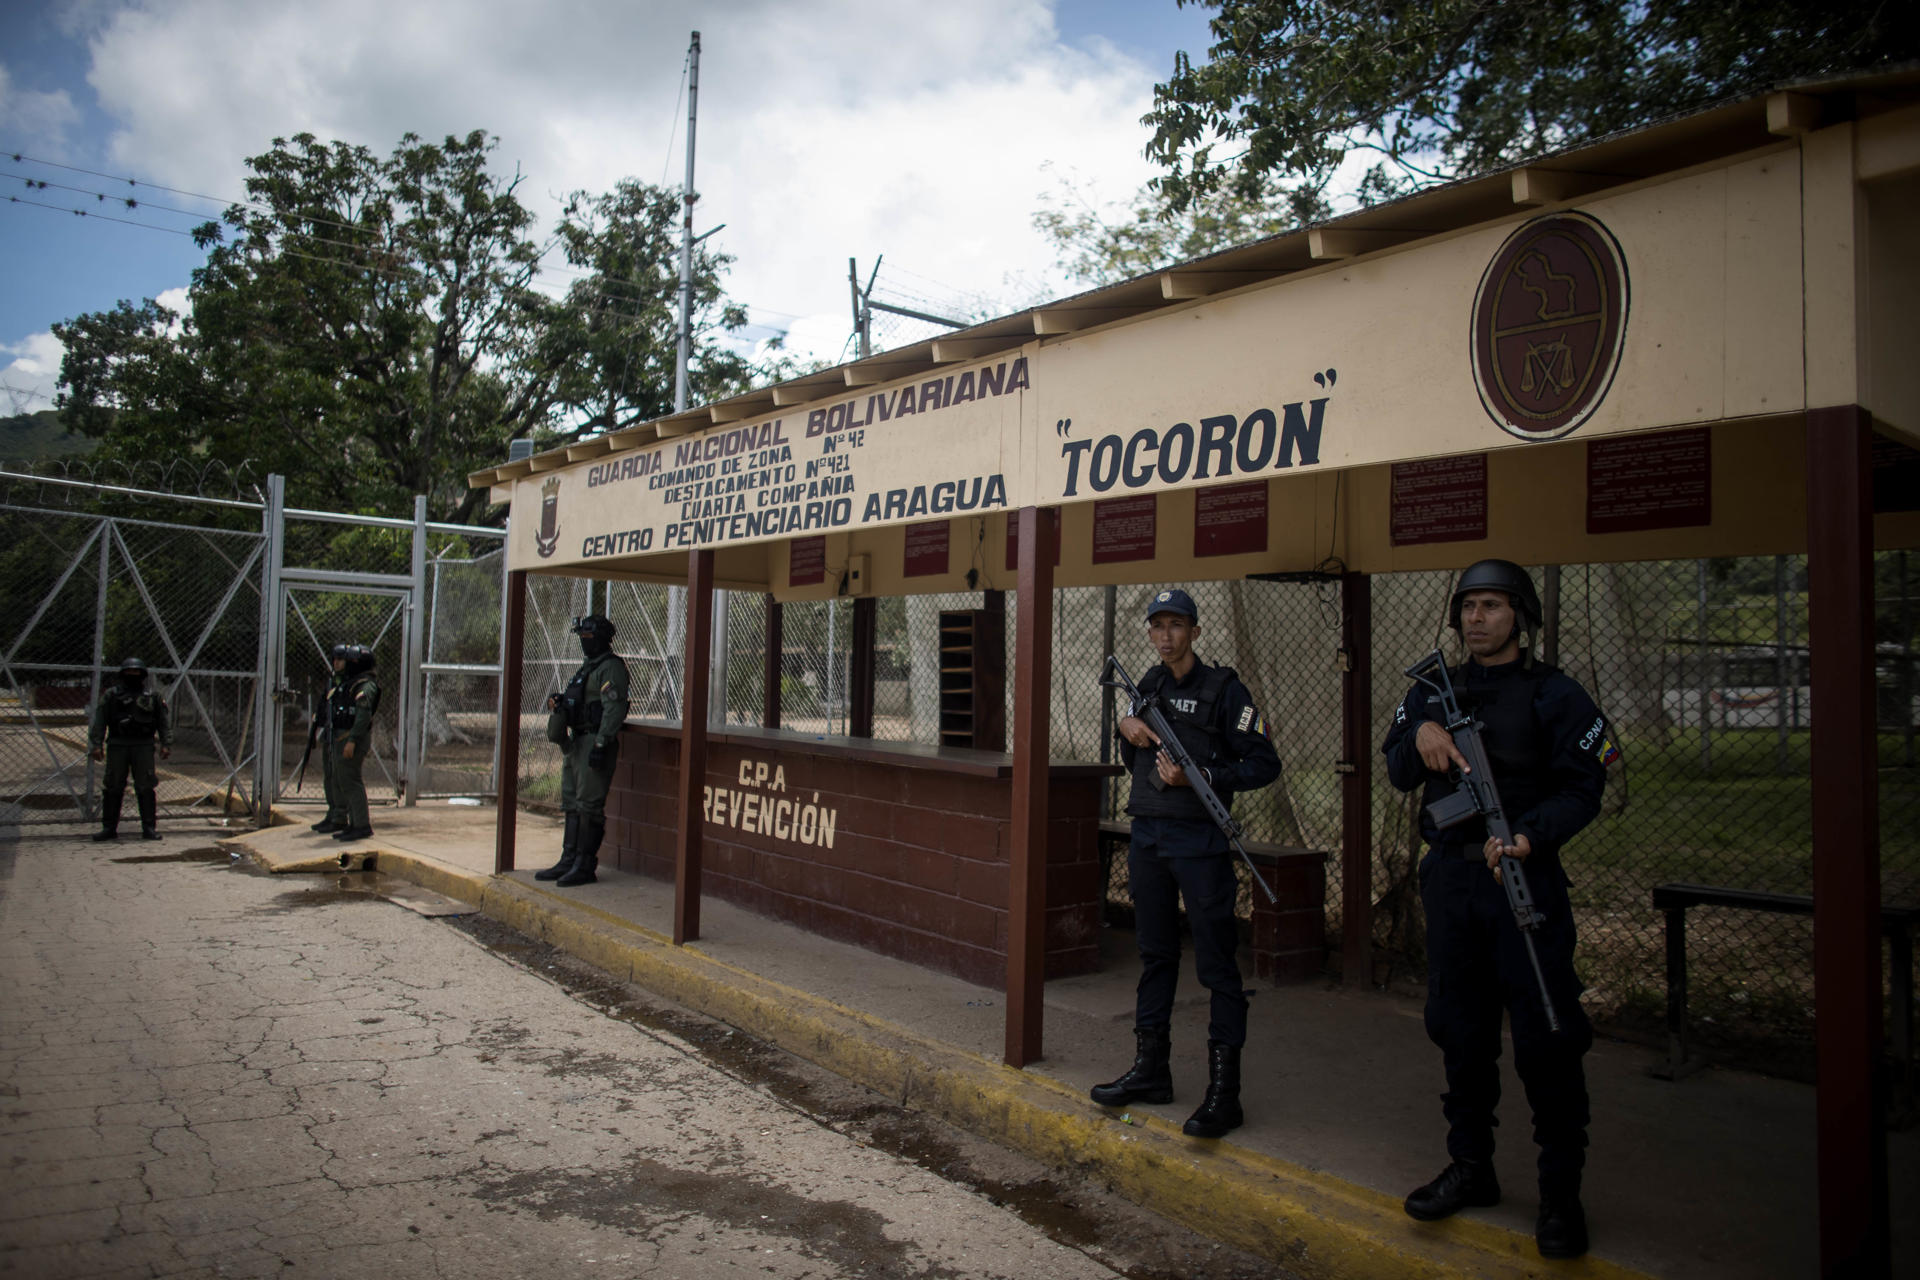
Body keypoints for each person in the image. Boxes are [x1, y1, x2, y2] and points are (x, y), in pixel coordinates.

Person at [1380, 559, 1615, 1260]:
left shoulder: (1556, 694)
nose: (1477, 617)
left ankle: (1559, 1192)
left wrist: (1530, 835)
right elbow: (1394, 767)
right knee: (1460, 1029)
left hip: (1522, 880)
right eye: (1469, 606)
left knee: (1547, 1034)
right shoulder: (1430, 689)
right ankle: (1471, 1167)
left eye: (1492, 605)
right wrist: (1419, 738)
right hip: (1452, 883)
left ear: (1522, 616)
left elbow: (1586, 785)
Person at [1089, 587, 1281, 1139]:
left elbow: (1264, 762)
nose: (1166, 635)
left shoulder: (1226, 690)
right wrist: (1124, 729)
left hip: (1200, 842)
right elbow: (1132, 747)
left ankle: (1225, 1094)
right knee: (1155, 956)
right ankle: (1152, 1070)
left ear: (1195, 631)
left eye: (1177, 625)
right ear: (1149, 633)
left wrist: (1208, 775)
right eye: (1158, 626)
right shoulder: (1145, 686)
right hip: (1148, 836)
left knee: (1217, 966)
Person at [537, 614, 630, 888]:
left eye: (588, 638)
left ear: (602, 638)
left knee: (589, 805)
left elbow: (613, 709)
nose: (584, 643)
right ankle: (569, 859)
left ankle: (585, 864)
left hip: (593, 740)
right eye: (582, 638)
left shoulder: (610, 668)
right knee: (572, 803)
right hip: (576, 743)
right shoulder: (587, 667)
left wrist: (601, 744)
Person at [88, 656, 172, 842]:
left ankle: (149, 828)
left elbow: (162, 722)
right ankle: (109, 828)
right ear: (122, 674)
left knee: (145, 786)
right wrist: (96, 744)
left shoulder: (152, 696)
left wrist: (166, 743)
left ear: (142, 675)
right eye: (129, 672)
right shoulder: (112, 695)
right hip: (118, 745)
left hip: (143, 746)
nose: (132, 675)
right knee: (113, 787)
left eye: (136, 672)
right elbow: (101, 720)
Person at [329, 644, 380, 843]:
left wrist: (352, 740)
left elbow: (363, 715)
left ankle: (362, 825)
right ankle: (353, 823)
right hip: (345, 737)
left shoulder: (366, 684)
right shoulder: (353, 682)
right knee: (344, 780)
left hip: (353, 738)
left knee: (351, 780)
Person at [311, 643, 351, 834]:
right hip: (329, 732)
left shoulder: (351, 682)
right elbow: (323, 705)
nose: (336, 663)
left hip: (342, 734)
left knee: (338, 777)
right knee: (329, 775)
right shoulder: (332, 681)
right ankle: (332, 811)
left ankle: (340, 815)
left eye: (340, 659)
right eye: (334, 659)